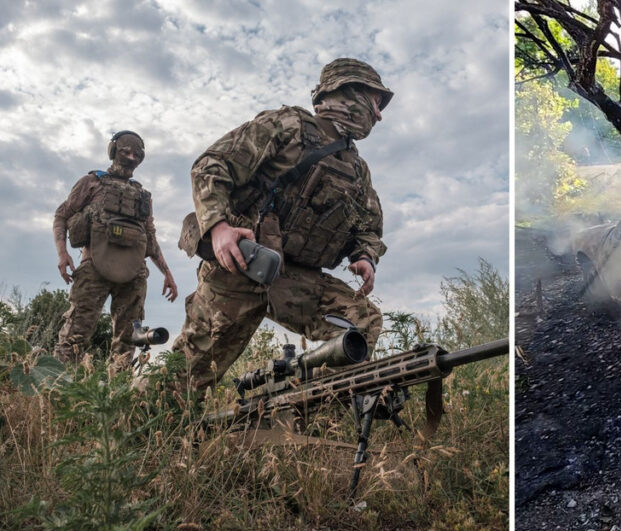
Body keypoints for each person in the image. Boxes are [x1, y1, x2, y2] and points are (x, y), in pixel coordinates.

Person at [174, 58, 391, 394]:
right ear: (349, 92)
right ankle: (134, 428)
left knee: (361, 322)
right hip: (241, 265)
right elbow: (210, 165)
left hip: (294, 280)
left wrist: (365, 255)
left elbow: (368, 226)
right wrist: (218, 227)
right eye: (376, 102)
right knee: (190, 377)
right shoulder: (288, 125)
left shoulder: (357, 169)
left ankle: (311, 408)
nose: (379, 115)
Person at [53, 130, 178, 369]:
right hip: (94, 268)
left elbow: (150, 237)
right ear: (113, 152)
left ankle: (117, 396)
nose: (131, 157)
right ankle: (58, 394)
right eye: (125, 152)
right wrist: (63, 253)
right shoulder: (91, 182)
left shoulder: (142, 195)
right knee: (74, 337)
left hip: (133, 273)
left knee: (127, 341)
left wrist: (167, 273)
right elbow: (61, 215)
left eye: (136, 154)